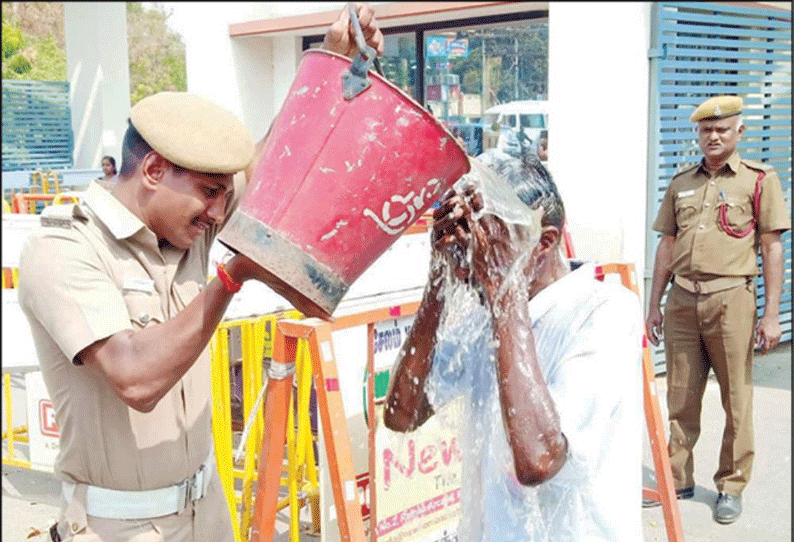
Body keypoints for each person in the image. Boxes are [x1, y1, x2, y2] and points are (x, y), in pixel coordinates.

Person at [17, 5, 383, 542]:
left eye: (223, 196)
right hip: (117, 525)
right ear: (155, 171)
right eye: (210, 194)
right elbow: (135, 378)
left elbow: (270, 166)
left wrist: (328, 62)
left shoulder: (187, 227)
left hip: (205, 510)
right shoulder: (64, 247)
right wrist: (231, 279)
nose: (219, 213)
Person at [383, 149, 643, 541]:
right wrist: (438, 283)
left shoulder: (602, 311)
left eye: (490, 240)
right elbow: (401, 414)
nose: (475, 257)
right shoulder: (480, 314)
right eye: (470, 239)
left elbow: (539, 459)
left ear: (544, 243)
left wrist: (507, 295)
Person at [644, 95, 790, 524]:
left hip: (732, 301)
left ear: (739, 132)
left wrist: (770, 315)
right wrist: (654, 305)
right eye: (706, 130)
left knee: (737, 399)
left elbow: (771, 247)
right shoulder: (682, 182)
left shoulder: (760, 181)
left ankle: (730, 485)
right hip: (683, 300)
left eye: (722, 129)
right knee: (681, 395)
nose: (713, 136)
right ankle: (677, 477)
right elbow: (666, 244)